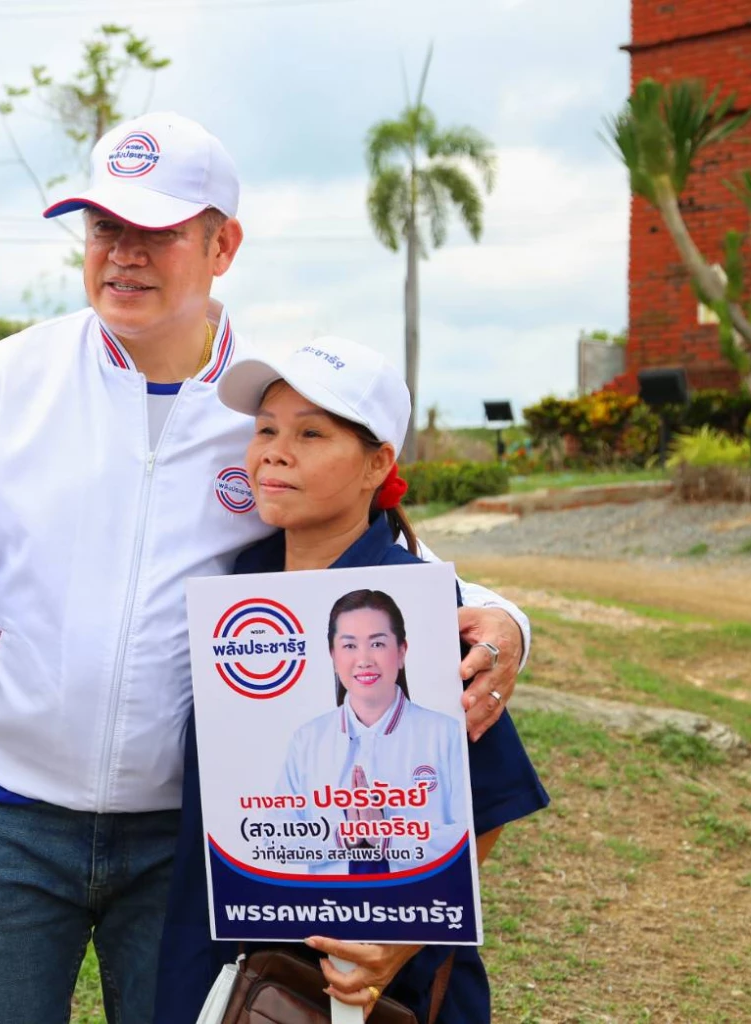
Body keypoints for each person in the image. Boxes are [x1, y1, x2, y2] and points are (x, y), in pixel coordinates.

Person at [0, 113, 532, 1024]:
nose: (121, 254)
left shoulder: (275, 400)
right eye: (103, 229)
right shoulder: (2, 381)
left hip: (188, 835)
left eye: (154, 232)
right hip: (5, 813)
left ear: (221, 245)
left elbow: (385, 559)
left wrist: (508, 620)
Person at [155, 337, 549, 1023]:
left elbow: (487, 803)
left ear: (378, 464)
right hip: (224, 963)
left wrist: (400, 939)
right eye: (266, 430)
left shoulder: (413, 602)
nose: (274, 451)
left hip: (368, 983)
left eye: (311, 433)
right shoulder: (239, 584)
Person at [275, 589, 470, 874]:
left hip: (422, 905)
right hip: (327, 909)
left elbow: (465, 836)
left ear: (402, 652)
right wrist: (342, 838)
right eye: (349, 646)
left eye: (377, 644)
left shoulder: (445, 734)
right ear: (332, 655)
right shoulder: (308, 739)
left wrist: (387, 839)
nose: (364, 659)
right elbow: (275, 837)